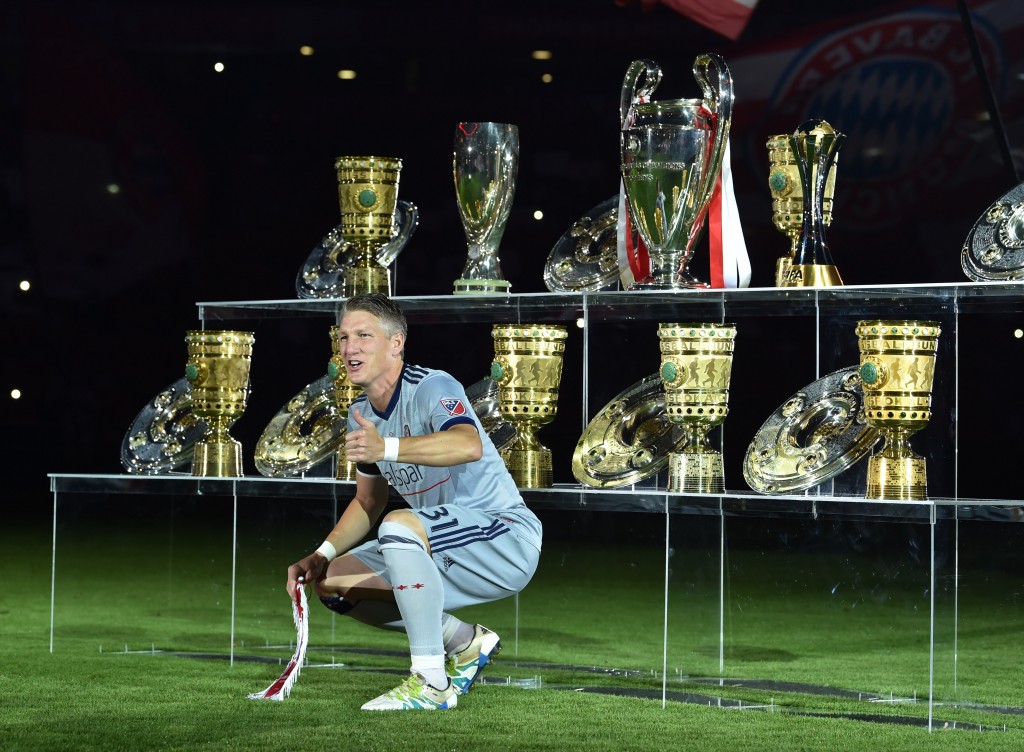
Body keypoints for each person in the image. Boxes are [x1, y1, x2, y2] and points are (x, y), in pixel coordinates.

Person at [286, 293, 543, 711]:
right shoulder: (360, 414)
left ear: (396, 343)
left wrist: (384, 446)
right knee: (336, 584)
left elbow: (469, 444)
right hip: (436, 544)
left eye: (364, 336)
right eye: (344, 337)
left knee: (400, 525)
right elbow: (369, 502)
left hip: (503, 535)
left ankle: (430, 682)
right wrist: (321, 554)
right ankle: (464, 642)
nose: (350, 349)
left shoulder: (432, 385)